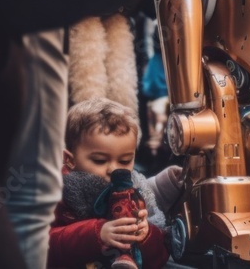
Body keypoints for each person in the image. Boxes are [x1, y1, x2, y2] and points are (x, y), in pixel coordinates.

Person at [48, 99, 173, 269]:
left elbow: (160, 258)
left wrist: (146, 236)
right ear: (69, 160)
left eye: (125, 160)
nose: (114, 169)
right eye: (99, 160)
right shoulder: (57, 192)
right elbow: (43, 246)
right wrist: (95, 234)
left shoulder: (136, 191)